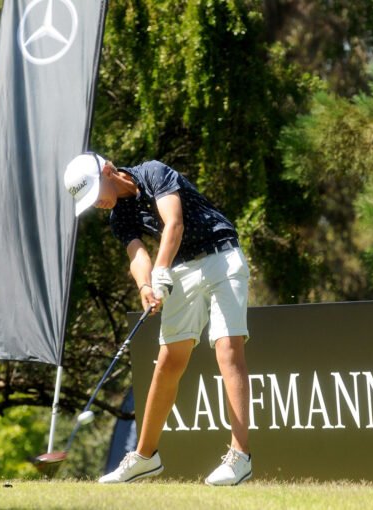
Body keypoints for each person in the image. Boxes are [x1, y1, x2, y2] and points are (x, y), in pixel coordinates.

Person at [63, 152, 253, 486]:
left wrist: (162, 268)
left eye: (95, 193)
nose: (98, 204)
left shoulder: (153, 173)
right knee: (168, 361)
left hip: (221, 254)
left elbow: (174, 223)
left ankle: (240, 457)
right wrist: (146, 286)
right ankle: (145, 457)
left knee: (227, 347)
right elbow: (138, 255)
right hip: (182, 268)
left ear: (107, 171)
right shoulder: (119, 216)